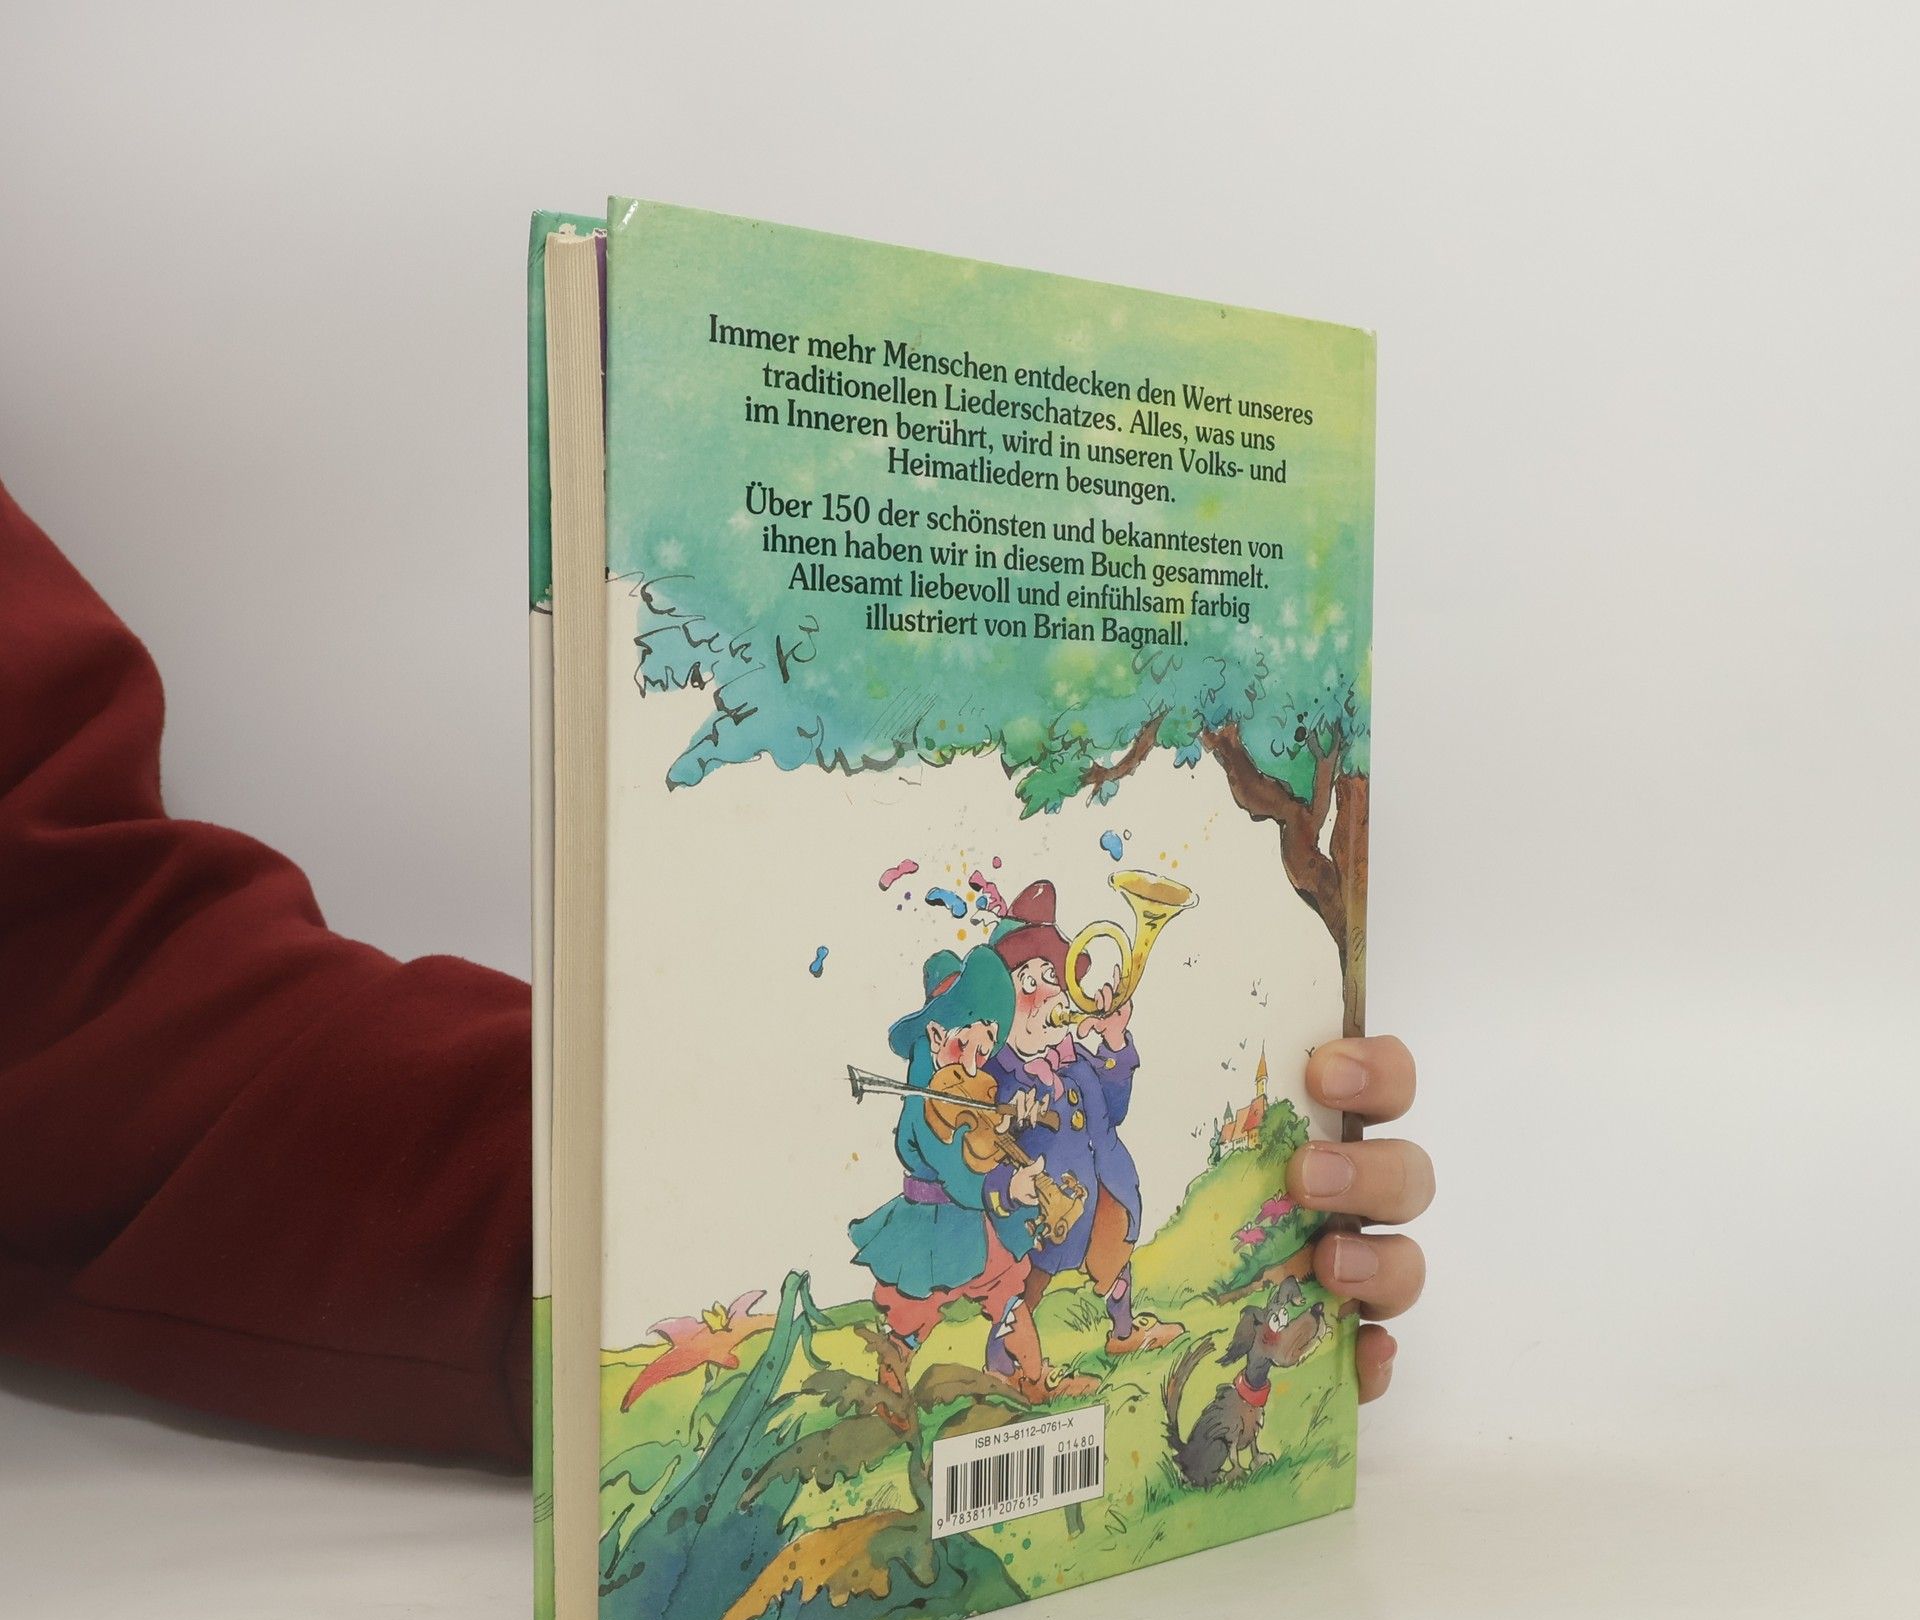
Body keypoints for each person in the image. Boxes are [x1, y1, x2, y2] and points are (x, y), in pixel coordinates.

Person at [0, 481, 1433, 1465]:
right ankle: (967, 1346)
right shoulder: (956, 1070)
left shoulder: (1037, 1045)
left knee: (1097, 1217)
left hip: (997, 1179)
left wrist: (671, 1193)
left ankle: (1101, 1321)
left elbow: (73, 965)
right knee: (972, 1272)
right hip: (967, 1199)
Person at [988, 879, 1182, 1359]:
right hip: (1044, 1211)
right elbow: (984, 1147)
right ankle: (1004, 1365)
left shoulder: (1074, 1059)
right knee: (1024, 1292)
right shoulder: (998, 1077)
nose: (1044, 995)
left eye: (1049, 977)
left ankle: (1123, 1333)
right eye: (1027, 983)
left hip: (1101, 1186)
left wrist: (1114, 1042)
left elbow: (1115, 1110)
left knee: (1115, 1257)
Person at [848, 945, 1052, 1392]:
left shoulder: (966, 1084)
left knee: (1008, 1296)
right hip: (931, 1227)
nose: (976, 1064)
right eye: (967, 1046)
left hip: (973, 1223)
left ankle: (1034, 1380)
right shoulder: (925, 1103)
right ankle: (889, 1395)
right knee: (913, 1314)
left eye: (985, 1049)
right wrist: (1007, 1189)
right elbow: (957, 1169)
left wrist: (1013, 1120)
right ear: (937, 1036)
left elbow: (982, 1137)